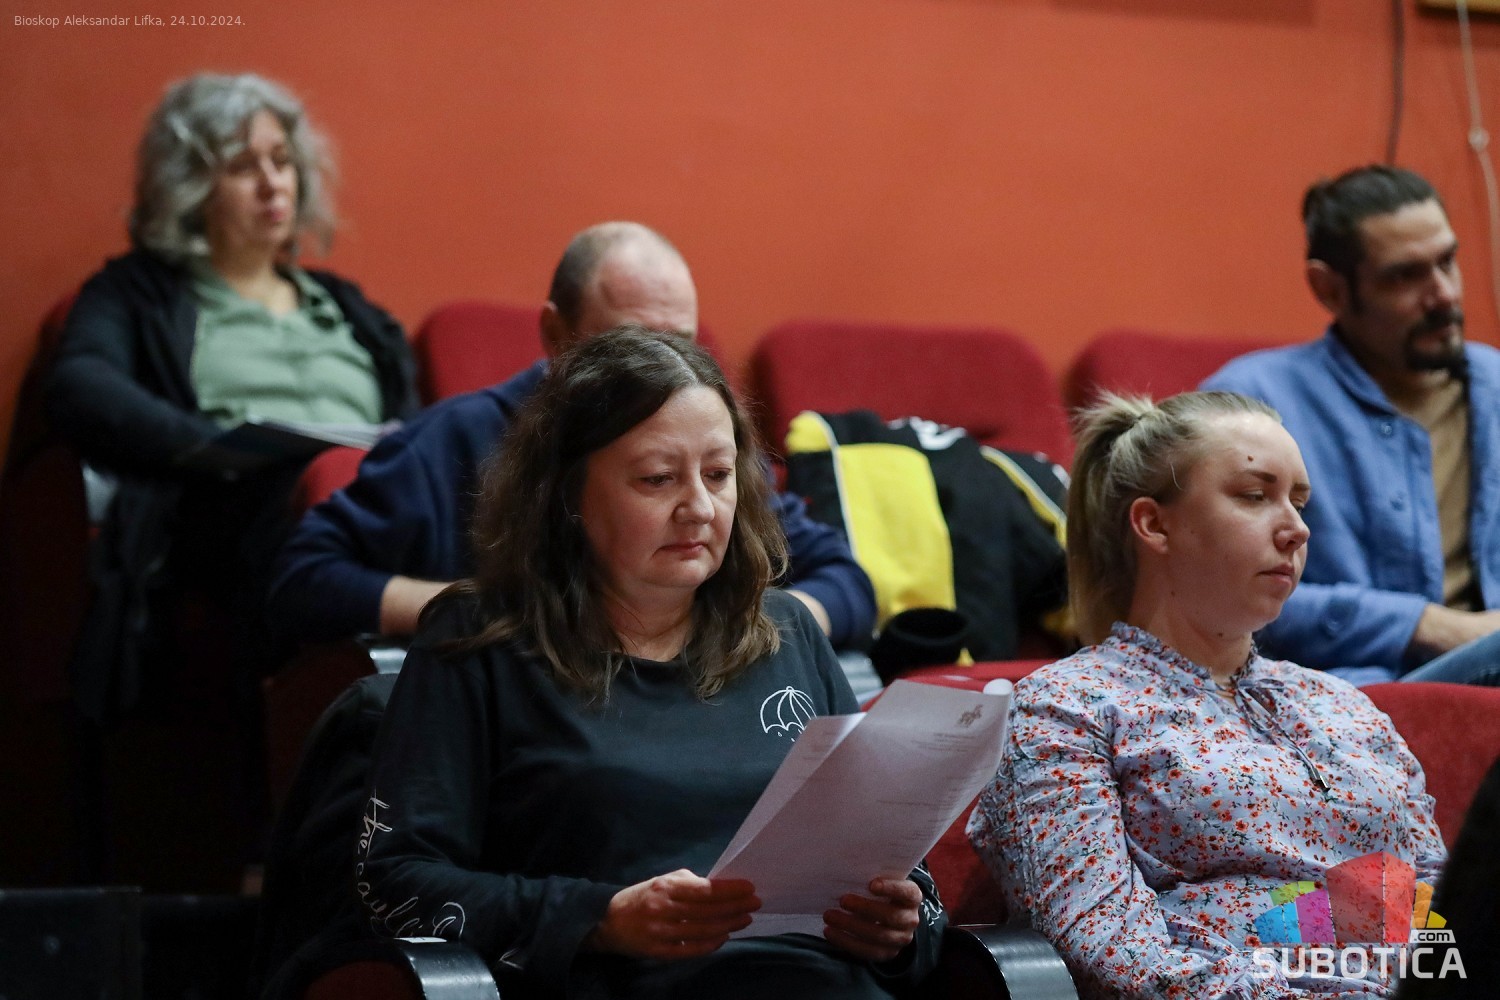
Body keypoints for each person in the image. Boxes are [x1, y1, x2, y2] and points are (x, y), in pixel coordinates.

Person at [353, 327, 943, 999]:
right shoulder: (478, 640)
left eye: (718, 475)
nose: (699, 507)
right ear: (569, 494)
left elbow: (910, 885)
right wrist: (598, 920)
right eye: (658, 479)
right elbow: (396, 884)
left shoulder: (787, 631)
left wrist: (897, 925)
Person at [968, 390, 1446, 999]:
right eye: (1254, 495)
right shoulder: (1064, 707)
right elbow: (1106, 946)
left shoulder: (1345, 705)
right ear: (1154, 523)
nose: (1297, 529)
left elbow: (1442, 904)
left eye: (1299, 502)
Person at [268, 221, 875, 650]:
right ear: (556, 336)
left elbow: (845, 582)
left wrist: (747, 626)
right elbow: (302, 582)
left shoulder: (709, 450)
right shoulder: (455, 440)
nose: (664, 373)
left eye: (682, 345)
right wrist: (490, 610)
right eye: (630, 345)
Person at [44, 72, 418, 717]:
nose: (274, 184)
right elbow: (81, 386)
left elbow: (412, 426)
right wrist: (217, 447)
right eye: (244, 167)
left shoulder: (349, 306)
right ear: (189, 187)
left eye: (282, 161)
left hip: (372, 499)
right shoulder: (137, 293)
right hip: (235, 508)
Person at [1202, 165, 1500, 685]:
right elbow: (1212, 590)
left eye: (1447, 262)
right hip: (1349, 698)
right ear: (1330, 289)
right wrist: (1426, 626)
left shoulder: (1494, 384)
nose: (1444, 295)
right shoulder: (1252, 406)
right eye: (1405, 276)